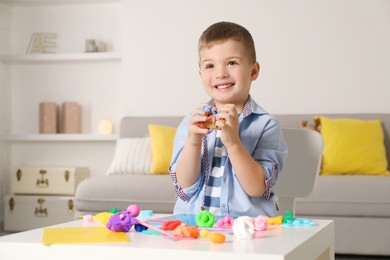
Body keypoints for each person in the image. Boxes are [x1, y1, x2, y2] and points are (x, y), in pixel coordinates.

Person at [169, 21, 287, 218]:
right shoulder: (191, 122)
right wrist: (193, 140)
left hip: (247, 227)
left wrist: (233, 142)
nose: (220, 73)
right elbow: (184, 187)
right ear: (200, 74)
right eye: (209, 65)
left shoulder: (266, 125)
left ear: (254, 71)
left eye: (232, 62)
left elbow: (257, 188)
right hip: (192, 225)